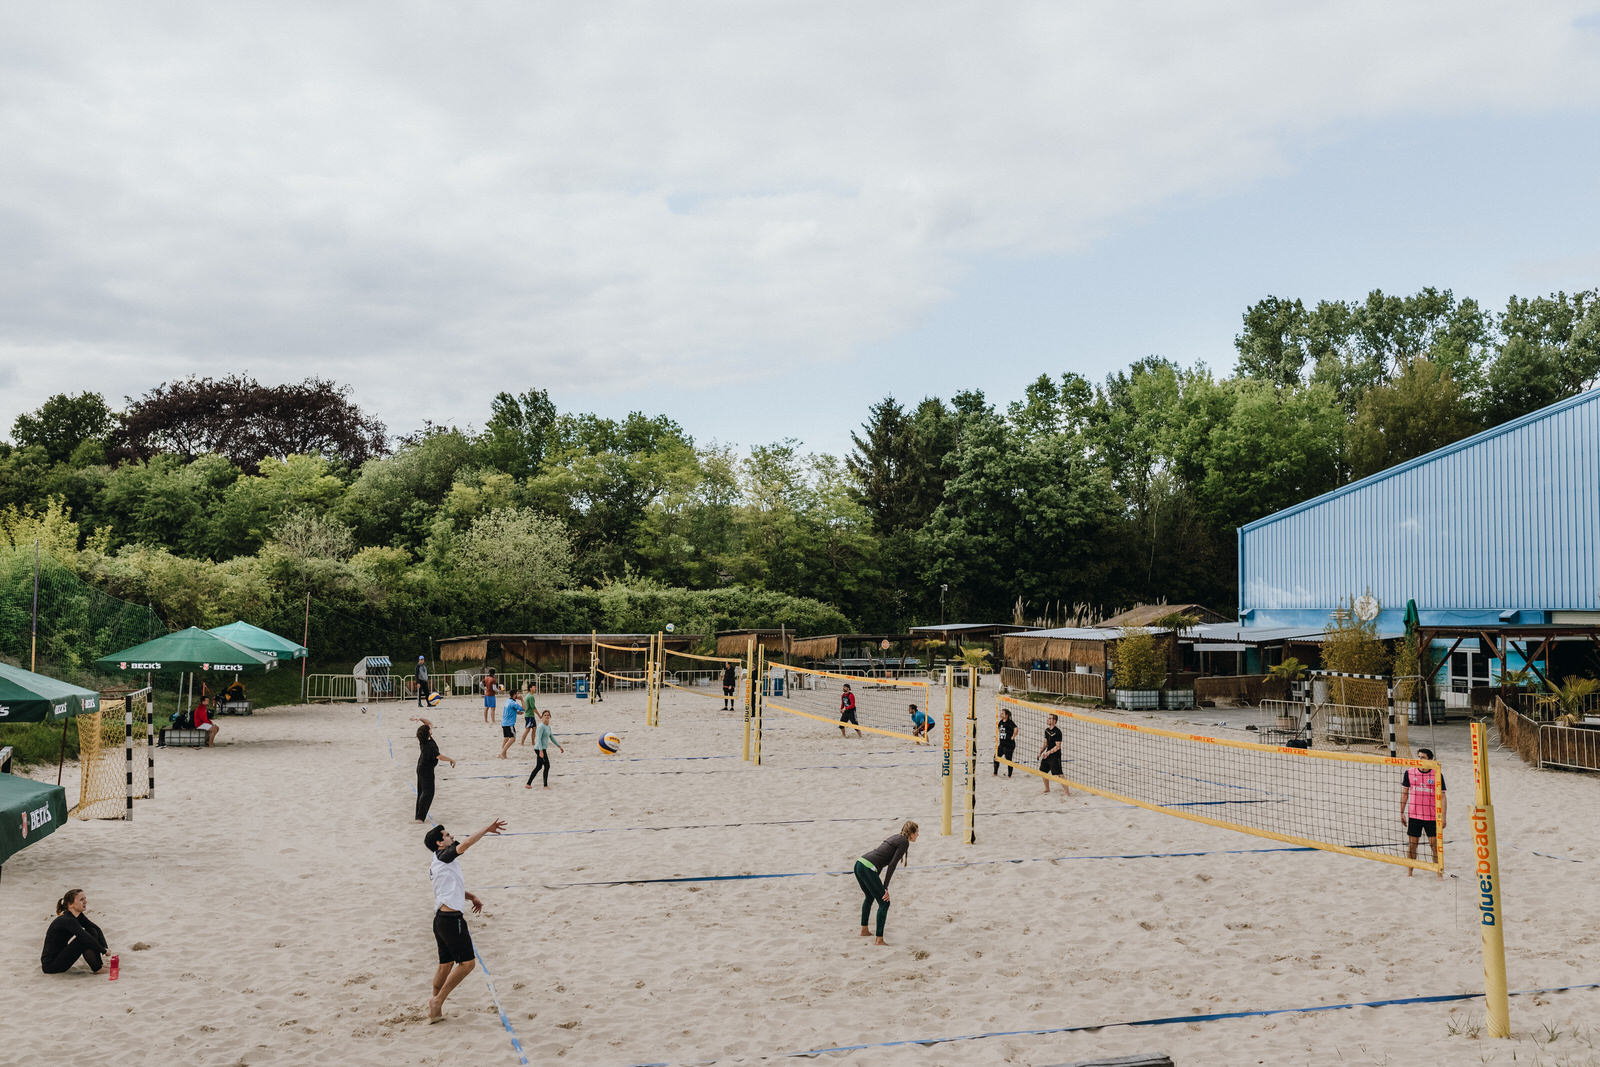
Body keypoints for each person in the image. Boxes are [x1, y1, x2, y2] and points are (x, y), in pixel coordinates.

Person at [424, 817, 507, 1022]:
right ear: (440, 843)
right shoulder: (445, 855)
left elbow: (450, 888)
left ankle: (434, 1004)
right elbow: (466, 844)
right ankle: (438, 1001)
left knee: (446, 963)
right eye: (447, 835)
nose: (451, 836)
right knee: (468, 964)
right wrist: (486, 828)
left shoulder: (438, 861)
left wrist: (471, 897)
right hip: (451, 920)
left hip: (440, 920)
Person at [854, 821, 918, 946]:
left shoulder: (896, 837)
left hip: (859, 863)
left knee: (869, 897)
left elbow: (882, 857)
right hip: (868, 867)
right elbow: (892, 865)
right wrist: (885, 887)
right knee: (884, 902)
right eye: (917, 833)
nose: (918, 835)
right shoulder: (904, 842)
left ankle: (864, 930)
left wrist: (877, 881)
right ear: (911, 833)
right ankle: (879, 939)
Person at [1402, 748, 1446, 878]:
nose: (1420, 760)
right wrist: (1401, 812)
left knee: (1434, 846)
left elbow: (1443, 797)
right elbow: (1404, 794)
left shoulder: (1437, 774)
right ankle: (1410, 872)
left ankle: (1439, 874)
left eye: (1423, 758)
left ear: (1430, 760)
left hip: (1432, 816)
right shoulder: (1409, 772)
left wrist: (1443, 817)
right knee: (1412, 845)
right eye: (1419, 757)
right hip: (1414, 815)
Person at [41, 888, 108, 974]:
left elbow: (95, 928)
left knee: (91, 930)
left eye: (85, 899)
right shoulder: (68, 920)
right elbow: (84, 937)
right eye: (81, 900)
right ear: (70, 904)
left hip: (61, 956)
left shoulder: (78, 916)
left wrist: (105, 947)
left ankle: (99, 965)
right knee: (85, 938)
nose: (85, 902)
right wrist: (103, 950)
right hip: (51, 966)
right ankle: (97, 968)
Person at [411, 717, 456, 823]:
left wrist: (420, 718)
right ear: (428, 733)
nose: (431, 727)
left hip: (421, 768)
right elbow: (439, 757)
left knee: (422, 792)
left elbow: (429, 723)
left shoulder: (424, 739)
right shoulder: (430, 745)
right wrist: (451, 759)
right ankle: (420, 818)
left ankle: (418, 817)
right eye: (429, 729)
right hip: (426, 770)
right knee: (428, 793)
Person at [525, 710, 565, 789]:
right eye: (545, 715)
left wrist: (559, 746)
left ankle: (528, 784)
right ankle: (545, 785)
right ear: (542, 717)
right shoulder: (541, 727)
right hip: (539, 749)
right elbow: (538, 739)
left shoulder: (548, 727)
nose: (546, 716)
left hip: (543, 749)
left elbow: (551, 737)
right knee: (547, 765)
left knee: (539, 767)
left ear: (550, 717)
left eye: (548, 715)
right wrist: (540, 751)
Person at [1038, 713, 1067, 795]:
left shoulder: (1058, 732)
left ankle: (1067, 792)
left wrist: (1048, 752)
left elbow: (1058, 746)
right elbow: (1045, 744)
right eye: (1048, 718)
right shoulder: (1047, 730)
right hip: (1047, 754)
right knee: (1043, 771)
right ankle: (1047, 789)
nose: (1048, 719)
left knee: (1059, 774)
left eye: (1050, 718)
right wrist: (1040, 752)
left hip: (1055, 755)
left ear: (1054, 721)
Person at [498, 686, 523, 760]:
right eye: (517, 694)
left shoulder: (507, 701)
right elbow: (524, 708)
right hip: (509, 724)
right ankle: (502, 753)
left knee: (506, 739)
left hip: (504, 723)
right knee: (513, 739)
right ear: (515, 694)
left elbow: (509, 711)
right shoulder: (513, 703)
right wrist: (522, 700)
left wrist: (517, 713)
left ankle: (503, 755)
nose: (518, 695)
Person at [994, 708, 1017, 776]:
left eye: (1002, 713)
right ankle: (995, 773)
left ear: (1006, 715)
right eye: (1001, 713)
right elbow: (999, 729)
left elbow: (1016, 729)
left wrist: (1013, 736)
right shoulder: (1001, 722)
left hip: (1009, 745)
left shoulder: (1010, 722)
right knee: (996, 757)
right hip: (1002, 744)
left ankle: (1009, 775)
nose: (1001, 714)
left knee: (1008, 760)